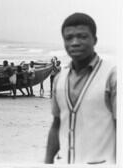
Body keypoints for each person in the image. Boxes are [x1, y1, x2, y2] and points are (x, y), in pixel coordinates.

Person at [45, 13, 116, 164]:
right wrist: (47, 161)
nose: (75, 42)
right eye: (69, 38)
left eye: (82, 36)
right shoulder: (59, 78)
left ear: (94, 40)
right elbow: (57, 125)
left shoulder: (113, 76)